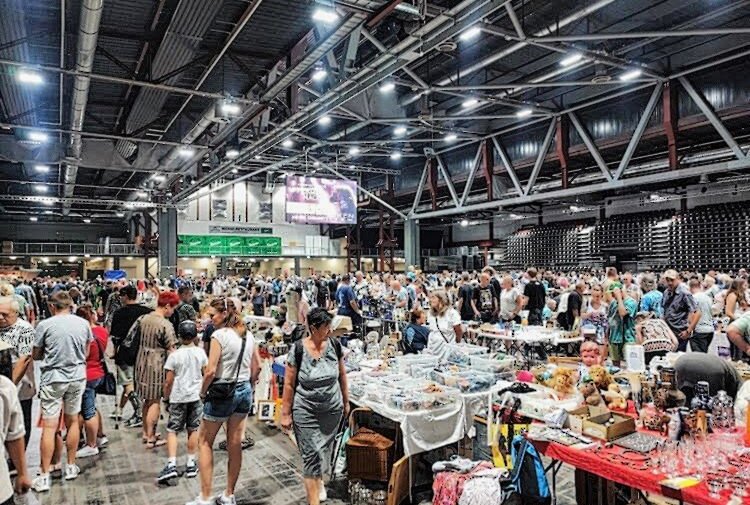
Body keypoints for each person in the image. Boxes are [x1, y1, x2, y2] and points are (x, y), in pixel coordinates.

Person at [193, 298, 258, 505]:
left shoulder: (218, 335)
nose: (209, 319)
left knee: (204, 441)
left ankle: (205, 496)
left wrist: (202, 392)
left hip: (222, 390)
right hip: (244, 390)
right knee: (235, 443)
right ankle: (229, 494)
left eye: (212, 315)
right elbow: (256, 368)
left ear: (223, 315)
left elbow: (211, 370)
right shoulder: (248, 335)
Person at [281, 308, 349, 505]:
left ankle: (319, 479)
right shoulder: (298, 349)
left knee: (324, 451)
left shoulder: (335, 345)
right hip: (306, 410)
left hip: (331, 410)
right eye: (326, 326)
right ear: (313, 327)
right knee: (311, 456)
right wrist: (285, 414)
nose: (329, 329)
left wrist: (345, 401)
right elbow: (288, 384)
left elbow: (342, 375)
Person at [32, 291, 92, 492]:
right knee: (73, 421)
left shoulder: (45, 325)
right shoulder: (83, 324)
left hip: (53, 379)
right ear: (71, 305)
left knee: (49, 427)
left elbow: (36, 354)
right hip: (77, 376)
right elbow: (87, 351)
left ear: (51, 306)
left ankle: (44, 474)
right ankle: (71, 465)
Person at [125, 291, 179, 448]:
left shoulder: (143, 318)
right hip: (156, 364)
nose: (173, 311)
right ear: (167, 306)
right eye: (173, 308)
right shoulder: (165, 324)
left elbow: (129, 338)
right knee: (155, 400)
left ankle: (145, 433)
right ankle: (151, 438)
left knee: (146, 401)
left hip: (141, 361)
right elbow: (171, 349)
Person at [158, 321, 207, 483]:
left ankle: (171, 464)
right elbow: (205, 373)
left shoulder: (174, 356)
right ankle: (191, 463)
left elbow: (168, 381)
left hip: (178, 397)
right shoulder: (200, 353)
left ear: (179, 336)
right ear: (195, 336)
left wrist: (165, 397)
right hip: (195, 396)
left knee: (172, 430)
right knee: (193, 429)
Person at [109, 284, 152, 427]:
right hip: (145, 353)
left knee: (127, 383)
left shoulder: (119, 313)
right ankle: (119, 410)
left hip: (125, 353)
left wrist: (114, 352)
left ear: (126, 296)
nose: (120, 298)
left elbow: (115, 337)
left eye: (121, 296)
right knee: (134, 383)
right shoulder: (148, 312)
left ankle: (139, 413)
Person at [75, 303, 109, 458]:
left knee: (87, 412)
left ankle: (91, 444)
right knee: (93, 408)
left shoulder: (82, 334)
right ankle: (100, 435)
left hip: (86, 374)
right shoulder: (102, 331)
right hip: (99, 372)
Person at [0, 297, 35, 449]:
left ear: (15, 313)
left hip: (20, 385)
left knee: (20, 421)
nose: (1, 317)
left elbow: (25, 358)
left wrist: (11, 385)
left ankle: (17, 458)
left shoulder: (24, 329)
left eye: (5, 314)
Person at [0, 373, 31, 504]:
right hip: (17, 389)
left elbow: (26, 358)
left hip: (23, 390)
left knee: (22, 426)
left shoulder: (4, 386)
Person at [674, 353, 741, 405]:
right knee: (713, 404)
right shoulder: (741, 386)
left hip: (681, 361)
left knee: (680, 398)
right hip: (714, 370)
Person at [661, 270, 700, 352]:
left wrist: (688, 331)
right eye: (667, 280)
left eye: (672, 280)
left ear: (678, 279)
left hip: (680, 333)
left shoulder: (684, 293)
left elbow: (697, 312)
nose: (670, 283)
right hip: (668, 332)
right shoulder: (666, 292)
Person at [605, 283, 636, 367]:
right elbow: (609, 319)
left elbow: (622, 313)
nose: (612, 296)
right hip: (614, 337)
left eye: (613, 293)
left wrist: (619, 297)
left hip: (627, 338)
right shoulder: (613, 303)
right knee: (615, 364)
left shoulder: (631, 302)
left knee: (629, 363)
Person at [426, 290, 463, 361]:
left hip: (445, 347)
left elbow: (458, 331)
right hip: (433, 345)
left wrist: (456, 343)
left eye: (433, 298)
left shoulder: (452, 313)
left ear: (441, 300)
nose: (431, 300)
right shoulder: (430, 313)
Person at [688, 279, 714, 353]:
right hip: (709, 330)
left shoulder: (693, 298)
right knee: (704, 354)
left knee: (698, 357)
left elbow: (692, 314)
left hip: (699, 330)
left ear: (690, 287)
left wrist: (689, 329)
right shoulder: (708, 298)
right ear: (700, 286)